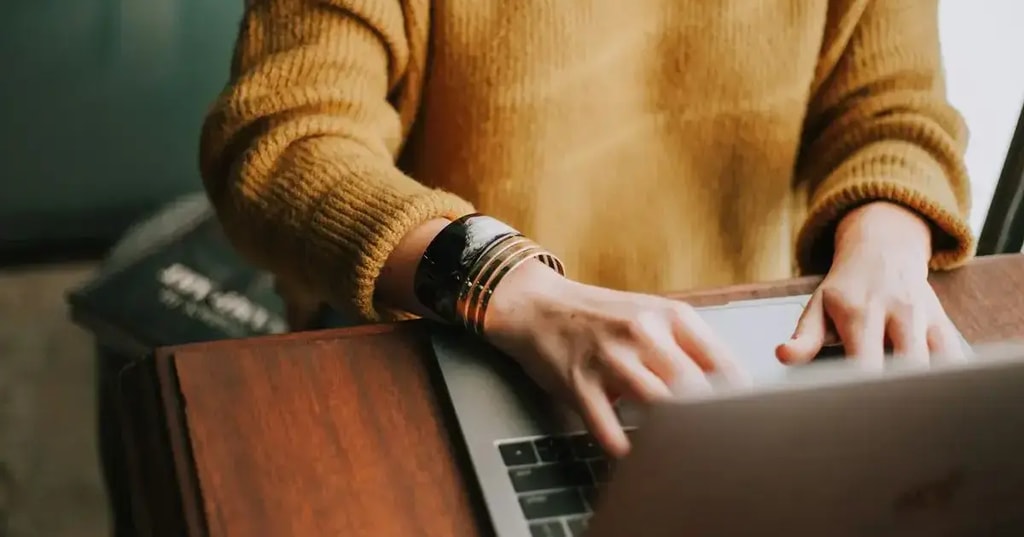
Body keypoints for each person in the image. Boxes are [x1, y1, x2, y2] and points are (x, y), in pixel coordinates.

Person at [199, 0, 974, 458]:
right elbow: (283, 138)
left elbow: (893, 110)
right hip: (448, 344)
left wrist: (886, 238)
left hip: (735, 365)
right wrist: (506, 282)